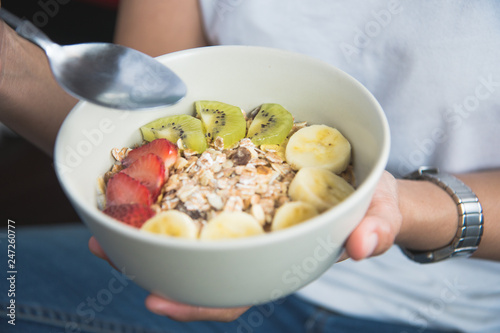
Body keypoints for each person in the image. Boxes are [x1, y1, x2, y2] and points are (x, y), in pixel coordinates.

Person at [1, 1, 499, 332]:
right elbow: (136, 112)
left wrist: (407, 210)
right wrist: (9, 64)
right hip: (187, 268)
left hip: (430, 311)